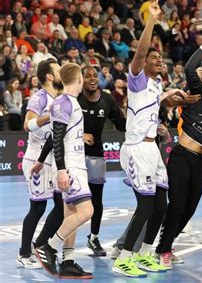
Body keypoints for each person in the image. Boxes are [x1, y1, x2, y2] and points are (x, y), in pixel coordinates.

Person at [112, 1, 186, 278]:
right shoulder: (137, 79)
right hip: (135, 150)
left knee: (161, 205)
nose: (158, 60)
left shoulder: (156, 85)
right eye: (154, 58)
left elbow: (151, 109)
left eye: (160, 58)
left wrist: (165, 114)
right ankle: (124, 258)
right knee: (145, 205)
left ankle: (143, 254)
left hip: (152, 148)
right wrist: (152, 21)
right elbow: (141, 51)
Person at [155, 28, 202, 269]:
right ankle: (163, 250)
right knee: (176, 204)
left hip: (200, 160)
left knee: (189, 209)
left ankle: (165, 245)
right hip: (180, 156)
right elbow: (189, 69)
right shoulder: (198, 93)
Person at [33, 63, 94, 279]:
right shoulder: (64, 102)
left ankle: (67, 262)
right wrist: (61, 170)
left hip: (75, 164)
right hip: (71, 166)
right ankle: (48, 246)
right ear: (78, 79)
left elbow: (52, 136)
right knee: (87, 212)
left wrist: (41, 160)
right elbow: (57, 137)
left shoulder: (70, 103)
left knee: (72, 215)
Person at [17, 60, 63, 269]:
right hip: (37, 158)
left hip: (53, 159)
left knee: (62, 206)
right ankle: (24, 253)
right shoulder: (39, 97)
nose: (61, 71)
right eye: (57, 69)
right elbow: (28, 124)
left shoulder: (61, 97)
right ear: (49, 76)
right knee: (37, 207)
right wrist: (49, 115)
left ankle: (40, 244)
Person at [78, 66, 126, 257]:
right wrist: (80, 134)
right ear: (81, 79)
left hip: (97, 155)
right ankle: (62, 244)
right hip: (74, 155)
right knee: (69, 203)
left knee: (97, 201)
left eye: (94, 76)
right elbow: (60, 124)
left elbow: (121, 123)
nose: (92, 79)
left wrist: (141, 125)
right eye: (87, 76)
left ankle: (93, 237)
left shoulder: (107, 99)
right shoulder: (74, 98)